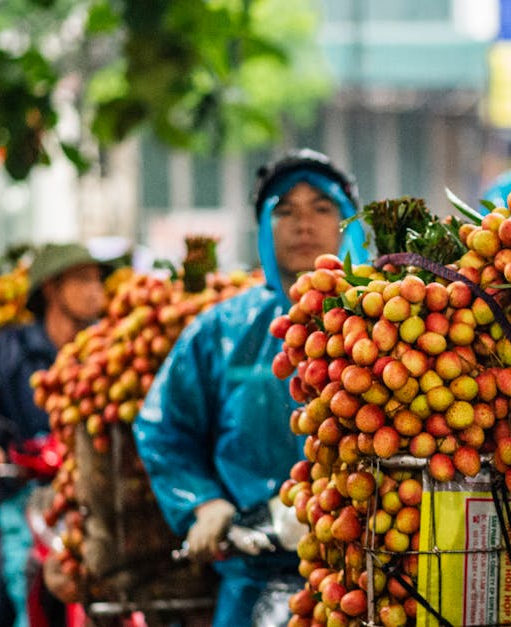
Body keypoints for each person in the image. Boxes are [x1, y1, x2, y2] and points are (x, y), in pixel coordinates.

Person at [134, 149, 369, 625]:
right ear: (263, 227)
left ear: (350, 221)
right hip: (254, 575)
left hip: (372, 575)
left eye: (322, 208)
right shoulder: (220, 331)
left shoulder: (390, 319)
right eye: (285, 210)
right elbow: (164, 429)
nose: (304, 224)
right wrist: (204, 503)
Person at [0, 243, 107, 627]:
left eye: (98, 279)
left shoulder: (108, 350)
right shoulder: (6, 351)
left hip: (98, 510)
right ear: (50, 289)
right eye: (82, 279)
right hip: (25, 507)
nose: (95, 289)